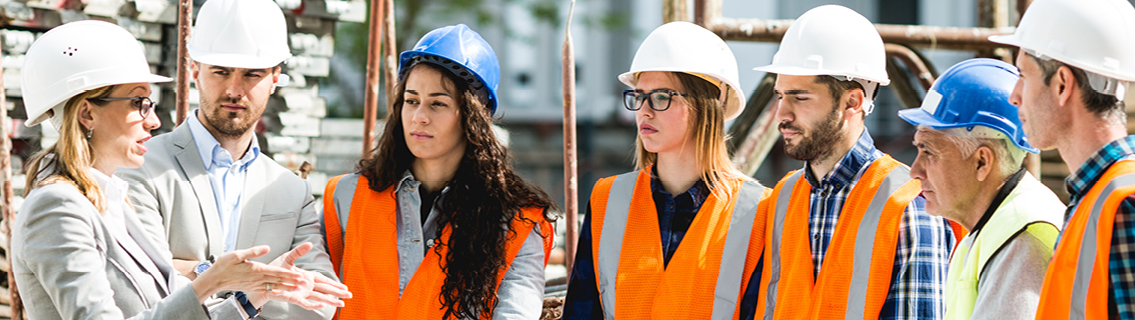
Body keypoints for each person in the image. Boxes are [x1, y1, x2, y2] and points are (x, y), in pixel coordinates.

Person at [12, 20, 349, 320]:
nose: (154, 120)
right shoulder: (57, 205)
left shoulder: (112, 201)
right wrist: (211, 280)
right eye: (137, 102)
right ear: (87, 114)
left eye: (150, 104)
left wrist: (253, 296)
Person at [117, 0, 342, 318]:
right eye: (221, 72)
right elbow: (142, 290)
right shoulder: (140, 167)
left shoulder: (291, 191)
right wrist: (256, 285)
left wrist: (195, 273)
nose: (234, 90)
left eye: (252, 74)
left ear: (275, 77)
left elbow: (317, 304)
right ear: (194, 69)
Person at [990, 0, 1135, 318]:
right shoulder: (1102, 198)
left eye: (1024, 75)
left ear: (1062, 85)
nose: (1014, 94)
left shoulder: (1128, 205)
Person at [320, 24, 556, 320]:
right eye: (411, 101)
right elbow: (317, 302)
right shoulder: (346, 196)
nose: (419, 117)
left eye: (438, 104)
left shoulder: (517, 221)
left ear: (474, 117)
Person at [751, 5, 958, 320]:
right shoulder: (781, 198)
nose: (782, 114)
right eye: (780, 96)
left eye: (800, 97)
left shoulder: (909, 206)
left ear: (852, 102)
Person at [562, 21, 770, 320]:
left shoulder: (759, 211)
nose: (644, 110)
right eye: (639, 96)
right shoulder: (608, 200)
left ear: (708, 103)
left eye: (661, 97)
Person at [897, 58, 1065, 320]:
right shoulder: (989, 230)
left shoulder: (1023, 235)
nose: (915, 171)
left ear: (982, 162)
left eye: (928, 151)